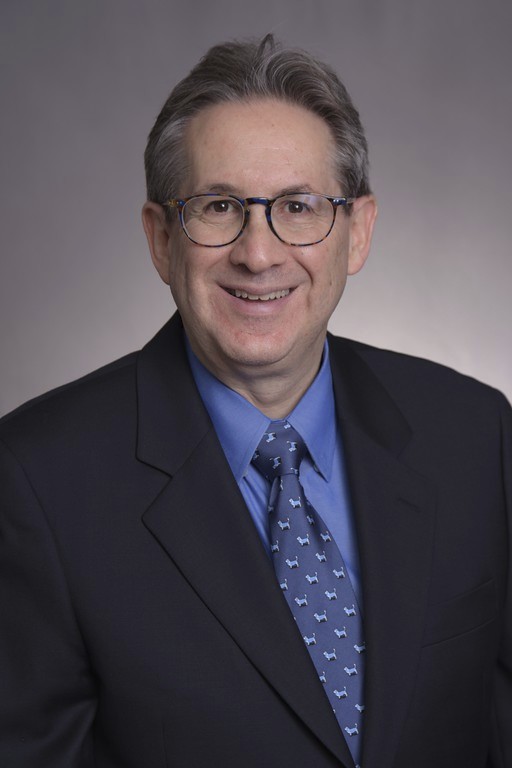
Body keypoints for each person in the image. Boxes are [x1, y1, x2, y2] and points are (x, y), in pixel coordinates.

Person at [0, 34, 510, 768]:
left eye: (299, 206)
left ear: (357, 233)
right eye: (218, 206)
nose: (259, 252)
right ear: (160, 239)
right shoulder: (36, 482)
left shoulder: (475, 433)